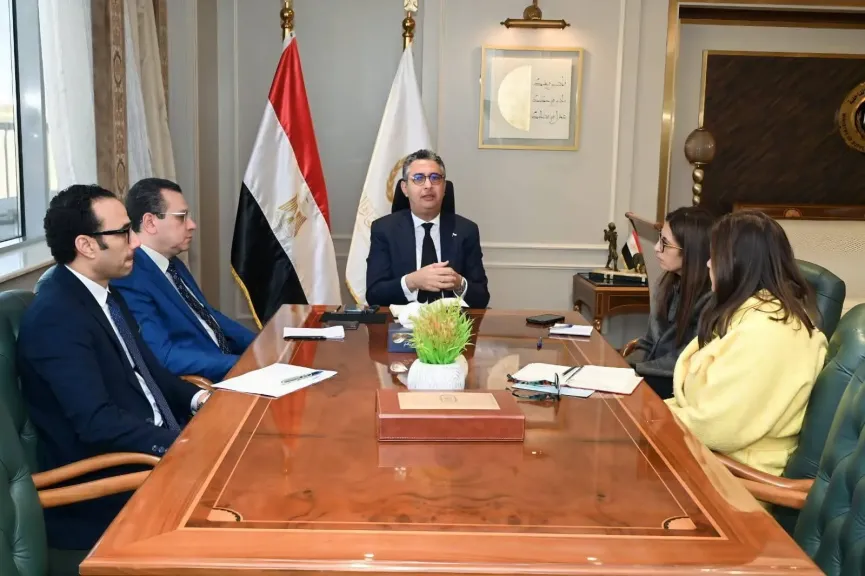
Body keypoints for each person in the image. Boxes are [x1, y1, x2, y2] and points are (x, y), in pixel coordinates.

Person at [17, 184, 211, 556]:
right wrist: (182, 445)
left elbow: (152, 374)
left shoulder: (107, 294)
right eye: (123, 232)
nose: (135, 242)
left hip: (155, 454)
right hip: (110, 489)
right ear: (86, 245)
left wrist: (203, 399)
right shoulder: (56, 318)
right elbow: (98, 423)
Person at [666, 210, 828, 477]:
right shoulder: (754, 314)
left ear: (739, 262)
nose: (708, 264)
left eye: (715, 256)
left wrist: (655, 417)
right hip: (709, 457)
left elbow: (715, 425)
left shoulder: (768, 333)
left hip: (734, 478)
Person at [113, 178, 255, 381]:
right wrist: (244, 365)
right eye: (181, 217)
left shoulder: (172, 262)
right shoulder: (130, 277)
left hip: (224, 363)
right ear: (150, 222)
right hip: (205, 382)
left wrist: (261, 347)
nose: (192, 225)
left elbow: (208, 315)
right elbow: (164, 356)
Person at [365, 149, 490, 308]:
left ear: (444, 187)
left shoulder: (466, 230)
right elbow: (374, 295)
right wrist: (412, 281)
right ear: (404, 188)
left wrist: (459, 283)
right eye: (418, 178)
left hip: (450, 320)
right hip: (402, 321)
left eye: (435, 178)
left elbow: (481, 297)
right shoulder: (384, 230)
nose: (428, 185)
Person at [625, 207, 714, 399]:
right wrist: (624, 367)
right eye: (659, 238)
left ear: (690, 251)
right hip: (649, 374)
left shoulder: (710, 298)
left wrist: (635, 371)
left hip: (677, 384)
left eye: (665, 243)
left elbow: (685, 359)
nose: (657, 248)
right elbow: (648, 342)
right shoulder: (665, 283)